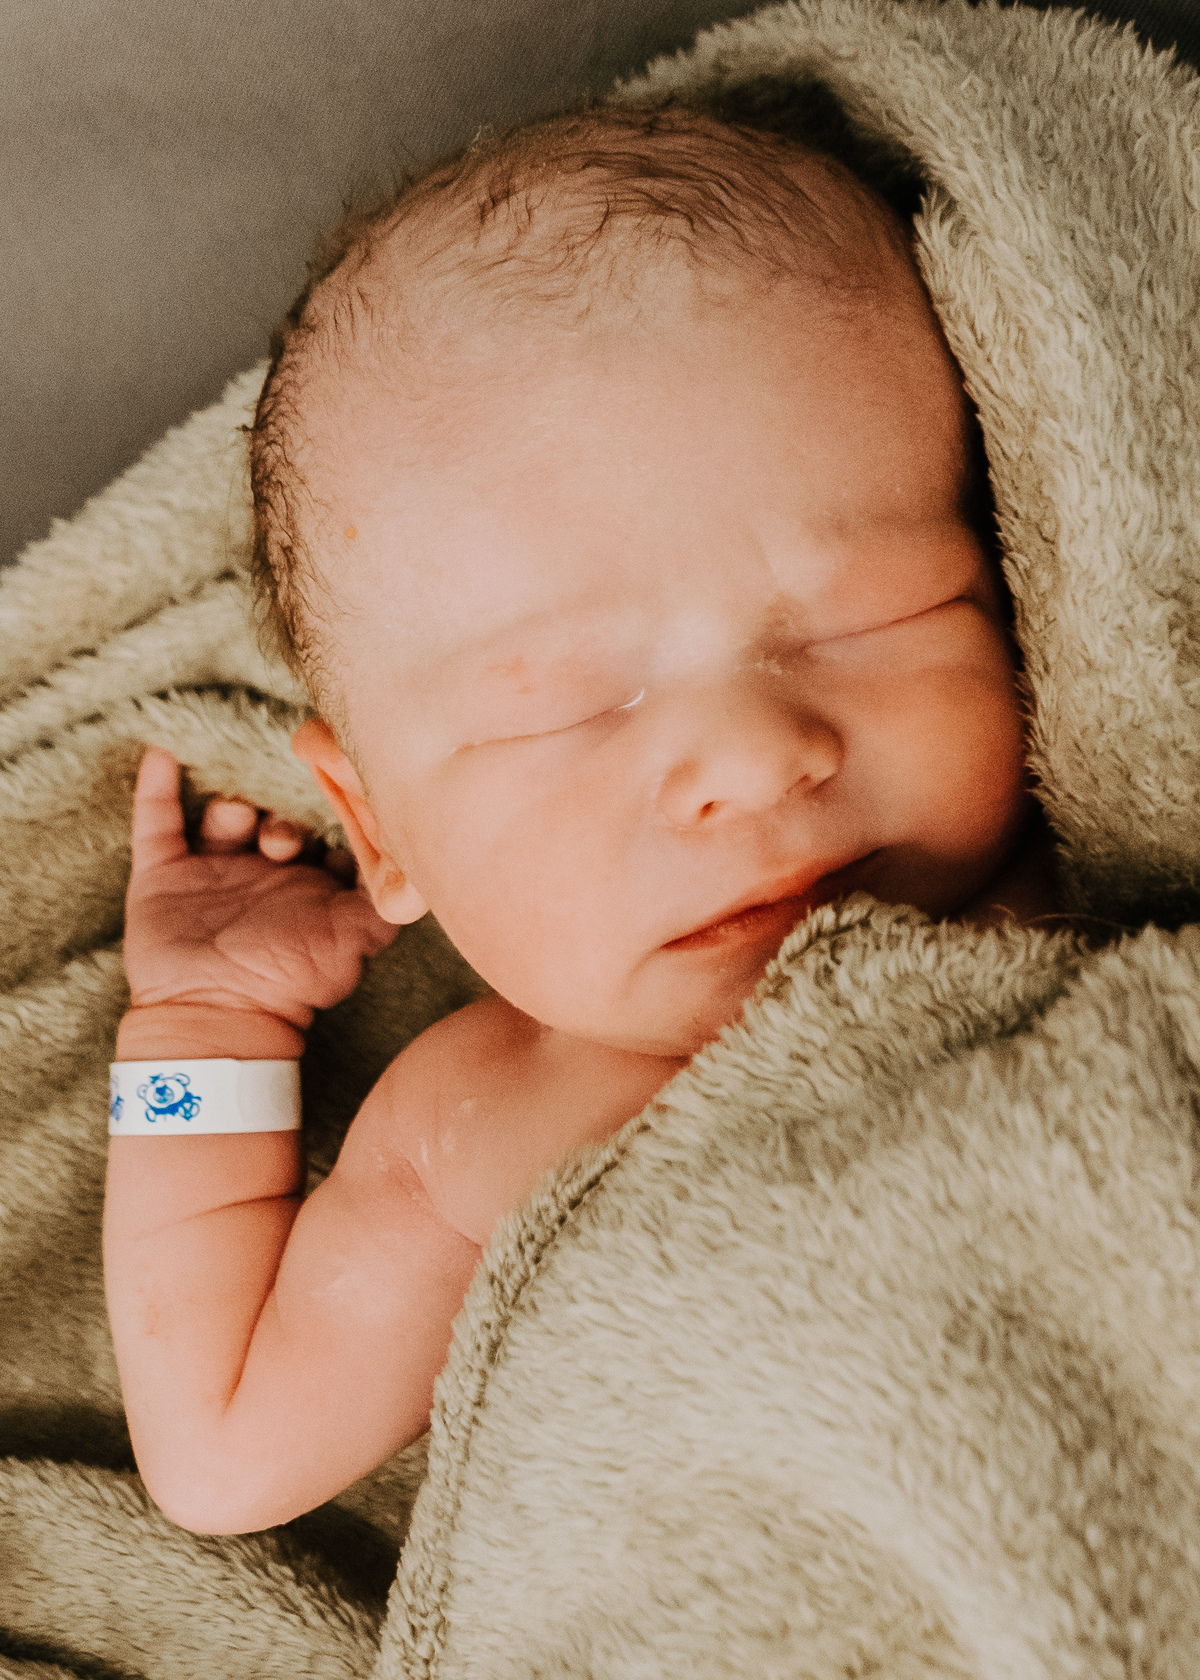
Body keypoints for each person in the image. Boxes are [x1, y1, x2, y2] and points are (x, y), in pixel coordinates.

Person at [103, 99, 1060, 1536]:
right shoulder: (488, 1123)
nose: (750, 758)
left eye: (876, 615)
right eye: (566, 709)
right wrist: (203, 1031)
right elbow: (223, 1451)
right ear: (381, 830)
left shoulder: (1098, 875)